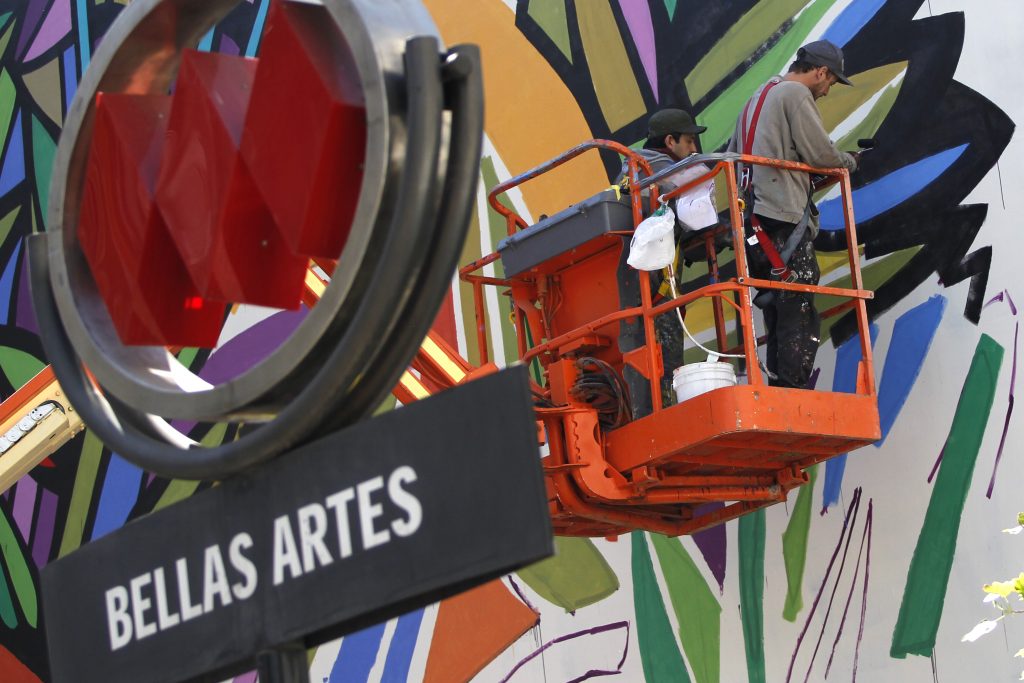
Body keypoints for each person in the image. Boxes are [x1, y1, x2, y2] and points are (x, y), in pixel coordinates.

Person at [726, 39, 860, 389]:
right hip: (781, 217)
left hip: (752, 221)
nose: (828, 91)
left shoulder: (756, 98)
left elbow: (734, 157)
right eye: (830, 82)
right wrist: (850, 162)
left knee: (777, 305)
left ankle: (780, 388)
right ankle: (793, 391)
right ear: (821, 71)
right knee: (798, 301)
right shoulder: (795, 95)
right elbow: (822, 154)